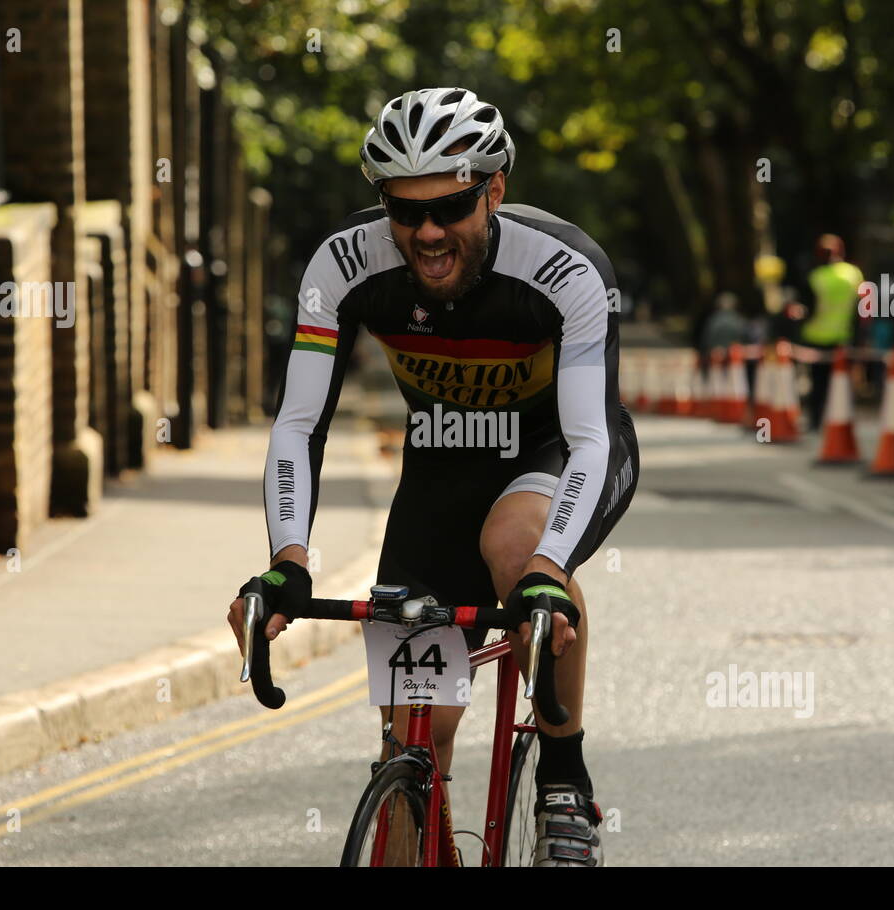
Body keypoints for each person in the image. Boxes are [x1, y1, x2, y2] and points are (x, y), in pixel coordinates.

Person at [227, 87, 639, 866]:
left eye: (450, 206)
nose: (427, 232)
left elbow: (589, 435)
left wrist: (550, 568)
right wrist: (288, 562)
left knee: (516, 548)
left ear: (495, 191)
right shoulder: (343, 265)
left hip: (553, 454)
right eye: (403, 209)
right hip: (438, 473)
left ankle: (562, 778)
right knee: (414, 744)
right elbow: (299, 424)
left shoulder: (565, 268)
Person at [800, 234, 864, 430]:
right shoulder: (853, 274)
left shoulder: (816, 277)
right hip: (844, 337)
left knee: (819, 384)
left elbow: (807, 309)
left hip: (816, 337)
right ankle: (843, 421)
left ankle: (816, 421)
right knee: (843, 383)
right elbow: (863, 307)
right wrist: (862, 335)